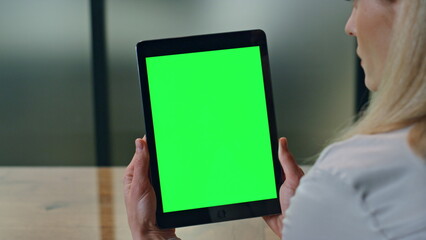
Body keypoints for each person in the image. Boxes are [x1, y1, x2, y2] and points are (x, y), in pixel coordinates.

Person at [123, 0, 426, 239]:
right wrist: (306, 227)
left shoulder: (351, 177)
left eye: (356, 3)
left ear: (406, 8)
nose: (349, 26)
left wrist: (150, 236)